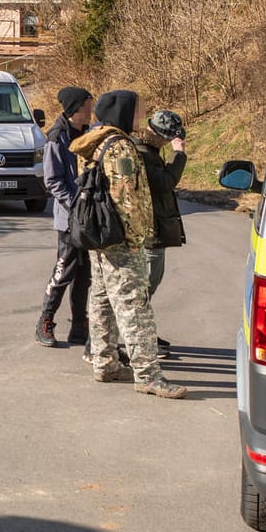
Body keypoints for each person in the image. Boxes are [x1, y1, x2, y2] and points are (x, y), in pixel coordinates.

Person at [70, 89, 186, 399]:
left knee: (103, 300)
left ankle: (105, 363)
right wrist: (138, 241)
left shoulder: (96, 141)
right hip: (123, 241)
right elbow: (128, 200)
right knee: (136, 306)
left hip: (100, 238)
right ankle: (147, 375)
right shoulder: (120, 148)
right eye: (138, 110)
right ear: (123, 112)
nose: (141, 117)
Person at [34, 86, 93, 348]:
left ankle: (79, 326)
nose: (90, 109)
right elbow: (53, 181)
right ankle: (45, 320)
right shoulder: (56, 137)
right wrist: (75, 204)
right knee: (64, 271)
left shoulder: (90, 132)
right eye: (87, 105)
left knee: (84, 275)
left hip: (88, 218)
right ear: (75, 109)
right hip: (69, 220)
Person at [139, 109, 188, 349]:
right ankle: (139, 339)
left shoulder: (150, 152)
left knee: (149, 285)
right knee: (145, 287)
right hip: (150, 233)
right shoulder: (144, 155)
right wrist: (179, 155)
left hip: (155, 230)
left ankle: (145, 333)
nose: (171, 142)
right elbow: (165, 183)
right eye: (169, 138)